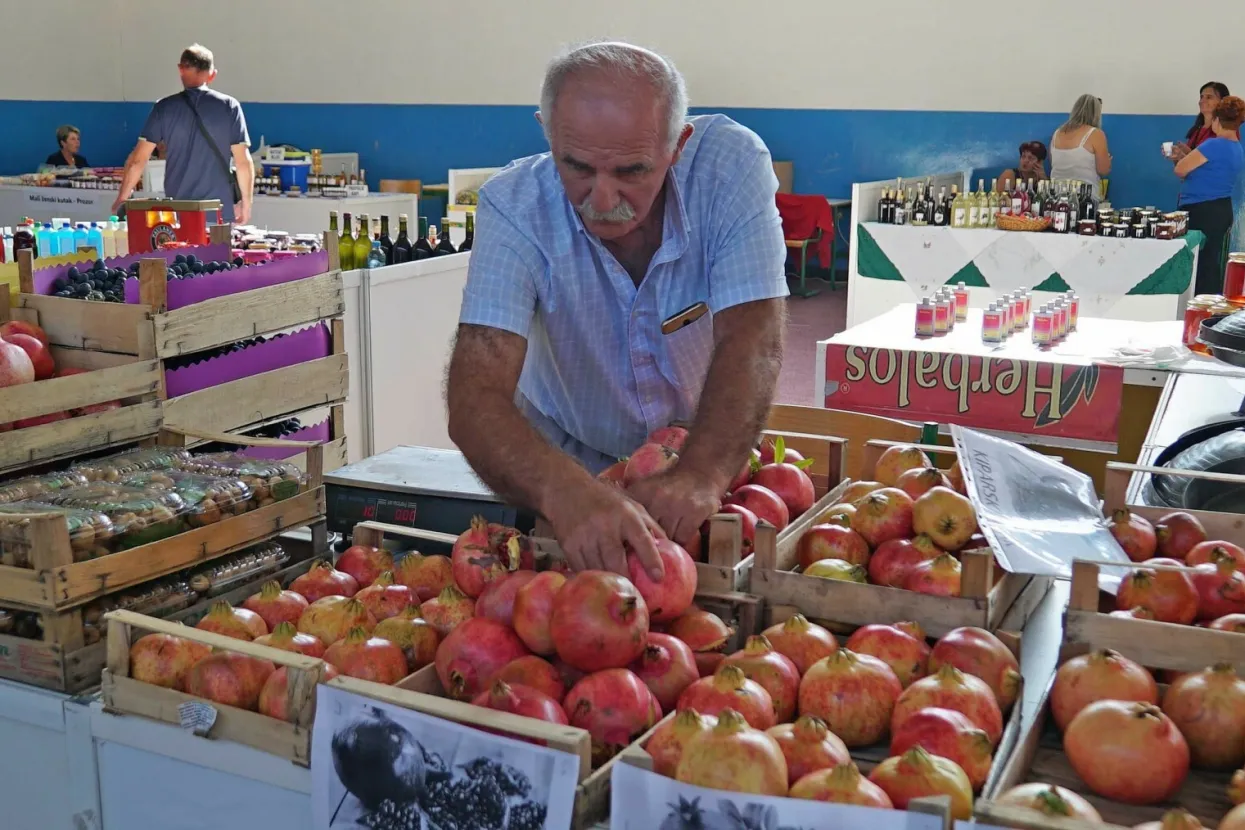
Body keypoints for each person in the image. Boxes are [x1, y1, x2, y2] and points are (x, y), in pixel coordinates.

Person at [444, 41, 787, 579]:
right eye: (577, 167)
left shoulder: (729, 169)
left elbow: (754, 335)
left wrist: (701, 473)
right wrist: (565, 491)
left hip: (711, 448)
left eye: (632, 171)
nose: (602, 201)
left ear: (678, 145)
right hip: (568, 460)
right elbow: (474, 396)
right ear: (547, 132)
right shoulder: (513, 208)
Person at [111, 44, 254, 224]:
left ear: (181, 69)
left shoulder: (163, 108)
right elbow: (243, 161)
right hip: (218, 213)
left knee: (177, 244)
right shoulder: (229, 106)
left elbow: (138, 159)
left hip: (177, 213)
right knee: (218, 244)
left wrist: (122, 197)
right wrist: (246, 204)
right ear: (212, 74)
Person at [1174, 95, 1244, 295]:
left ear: (1216, 120)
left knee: (1199, 263)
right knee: (1211, 260)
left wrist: (1179, 157)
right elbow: (1210, 169)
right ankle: (1210, 302)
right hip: (1221, 208)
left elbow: (1180, 169)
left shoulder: (1213, 144)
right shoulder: (1237, 147)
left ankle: (1197, 302)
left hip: (1202, 209)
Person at [1049, 94, 1111, 191]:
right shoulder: (1096, 134)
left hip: (1056, 193)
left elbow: (1053, 163)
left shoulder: (1057, 133)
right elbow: (1103, 170)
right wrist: (1108, 161)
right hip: (1084, 195)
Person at [1171, 82, 1231, 161]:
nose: (1202, 101)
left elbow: (1213, 163)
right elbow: (1191, 163)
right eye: (1201, 97)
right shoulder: (1197, 129)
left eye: (1209, 97)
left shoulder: (1227, 131)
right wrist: (1180, 154)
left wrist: (1182, 156)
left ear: (1222, 102)